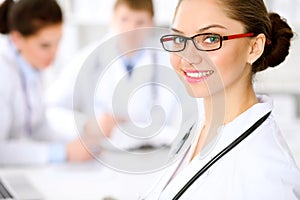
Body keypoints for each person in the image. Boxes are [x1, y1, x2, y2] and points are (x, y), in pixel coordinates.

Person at [143, 0, 300, 199]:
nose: (187, 57)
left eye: (209, 39)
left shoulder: (269, 177)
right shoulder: (200, 129)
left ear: (254, 48)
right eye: (180, 39)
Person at [46, 0, 183, 151]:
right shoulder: (87, 59)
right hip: (101, 153)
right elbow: (49, 109)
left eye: (140, 22)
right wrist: (87, 125)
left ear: (152, 23)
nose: (131, 29)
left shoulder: (167, 60)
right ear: (112, 19)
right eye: (124, 19)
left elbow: (183, 118)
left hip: (156, 152)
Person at [0, 0, 93, 165]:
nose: (54, 53)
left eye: (58, 42)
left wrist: (82, 142)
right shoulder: (4, 73)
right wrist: (62, 153)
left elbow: (38, 128)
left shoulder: (32, 65)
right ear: (17, 39)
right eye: (45, 45)